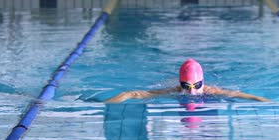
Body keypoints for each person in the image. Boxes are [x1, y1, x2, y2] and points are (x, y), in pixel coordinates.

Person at [105, 59, 270, 103]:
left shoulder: (211, 91)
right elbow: (132, 94)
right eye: (186, 86)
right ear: (180, 84)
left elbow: (243, 95)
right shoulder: (174, 90)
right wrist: (106, 105)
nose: (192, 92)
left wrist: (267, 102)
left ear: (202, 83)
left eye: (197, 86)